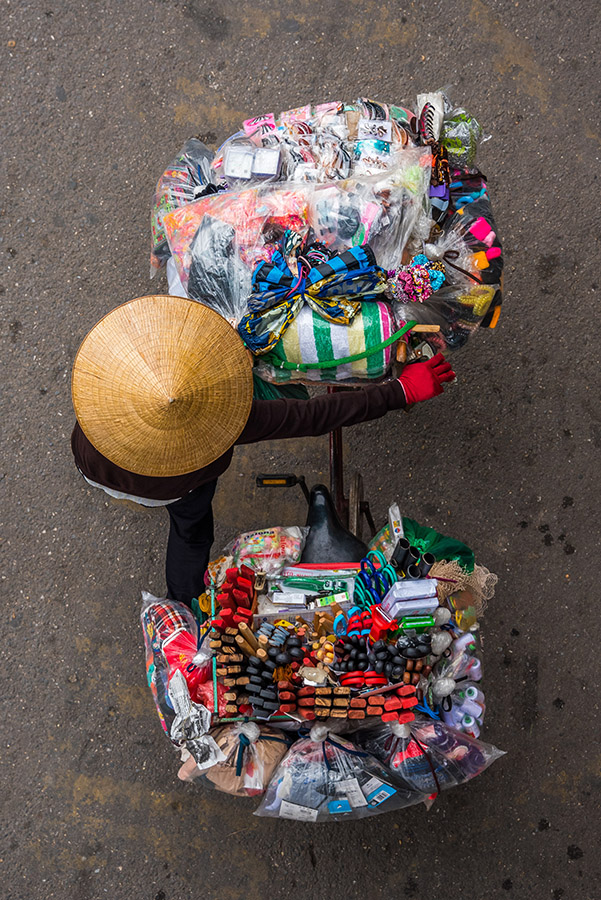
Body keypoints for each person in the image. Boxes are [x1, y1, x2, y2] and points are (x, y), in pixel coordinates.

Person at [71, 295, 455, 607]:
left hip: (96, 466)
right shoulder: (225, 419)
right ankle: (186, 603)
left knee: (188, 534)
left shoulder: (108, 380)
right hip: (172, 488)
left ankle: (182, 607)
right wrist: (397, 391)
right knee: (191, 531)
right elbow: (311, 415)